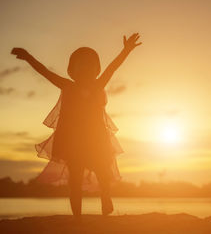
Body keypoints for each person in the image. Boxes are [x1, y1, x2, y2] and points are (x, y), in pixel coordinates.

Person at [11, 33, 142, 218]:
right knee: (75, 180)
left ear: (96, 69)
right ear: (73, 69)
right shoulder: (67, 85)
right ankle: (77, 218)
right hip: (73, 142)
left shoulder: (99, 84)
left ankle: (106, 201)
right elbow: (44, 72)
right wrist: (28, 57)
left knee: (104, 173)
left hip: (97, 139)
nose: (86, 68)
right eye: (81, 65)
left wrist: (126, 50)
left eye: (90, 65)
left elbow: (112, 68)